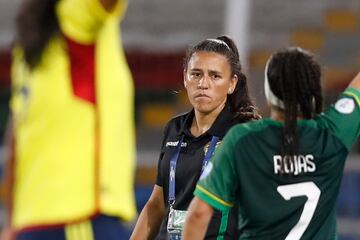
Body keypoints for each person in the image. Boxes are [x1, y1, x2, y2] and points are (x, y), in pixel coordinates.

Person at [182, 47, 360, 239]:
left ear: (269, 90)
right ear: (314, 90)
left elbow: (199, 214)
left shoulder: (242, 140)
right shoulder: (333, 132)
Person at [0, 0, 136, 239]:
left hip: (30, 223)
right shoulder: (76, 16)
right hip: (78, 218)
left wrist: (12, 225)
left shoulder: (26, 52)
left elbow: (15, 142)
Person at [130, 35, 260, 240]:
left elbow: (260, 207)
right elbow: (156, 204)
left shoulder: (244, 134)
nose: (203, 83)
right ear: (185, 77)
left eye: (215, 76)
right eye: (196, 74)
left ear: (232, 83)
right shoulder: (174, 128)